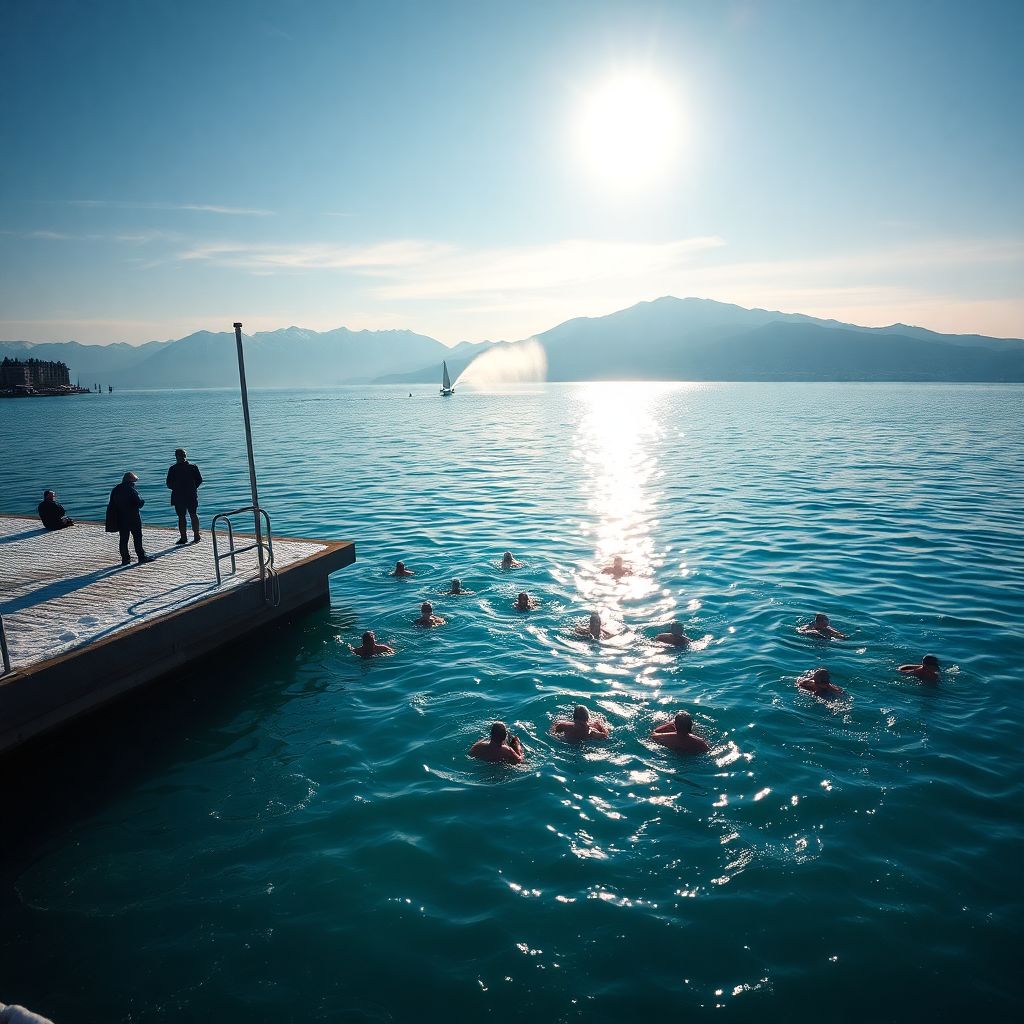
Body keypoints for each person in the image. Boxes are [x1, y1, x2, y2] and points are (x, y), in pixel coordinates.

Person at [109, 471, 151, 565]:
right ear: (131, 481)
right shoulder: (131, 490)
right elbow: (138, 504)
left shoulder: (116, 489)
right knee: (137, 537)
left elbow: (112, 504)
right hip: (133, 518)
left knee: (123, 539)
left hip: (121, 518)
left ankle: (125, 559)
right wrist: (142, 502)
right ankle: (141, 557)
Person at [165, 447, 203, 545]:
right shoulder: (193, 467)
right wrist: (193, 488)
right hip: (191, 495)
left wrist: (177, 489)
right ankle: (196, 536)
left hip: (178, 496)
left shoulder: (173, 469)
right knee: (193, 515)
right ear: (185, 456)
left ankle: (183, 538)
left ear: (176, 457)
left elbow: (169, 484)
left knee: (181, 517)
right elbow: (199, 480)